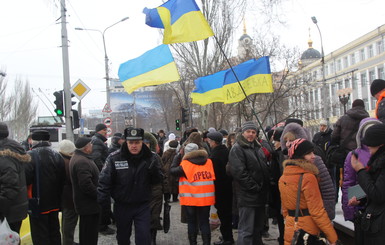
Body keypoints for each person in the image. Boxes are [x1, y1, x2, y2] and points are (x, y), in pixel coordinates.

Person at [98, 127, 162, 245]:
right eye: (131, 142)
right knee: (123, 238)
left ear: (142, 142)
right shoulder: (114, 158)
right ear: (126, 142)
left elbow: (158, 182)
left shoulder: (151, 157)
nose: (134, 146)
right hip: (122, 205)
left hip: (142, 205)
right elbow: (103, 183)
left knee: (144, 238)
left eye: (137, 142)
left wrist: (155, 171)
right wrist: (103, 208)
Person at [279, 138, 338, 245]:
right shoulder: (308, 177)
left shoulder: (283, 177)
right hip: (307, 230)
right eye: (309, 153)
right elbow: (317, 212)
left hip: (290, 228)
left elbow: (285, 209)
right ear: (300, 156)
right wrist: (333, 238)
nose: (313, 156)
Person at [280, 122, 336, 220]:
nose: (288, 144)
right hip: (296, 216)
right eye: (286, 140)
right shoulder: (287, 161)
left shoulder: (315, 160)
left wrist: (327, 215)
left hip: (316, 214)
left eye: (291, 140)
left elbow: (327, 190)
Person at [228, 121, 270, 245]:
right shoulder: (237, 149)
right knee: (246, 231)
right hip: (248, 197)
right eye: (248, 132)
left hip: (259, 196)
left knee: (257, 230)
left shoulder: (257, 148)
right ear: (243, 133)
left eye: (253, 132)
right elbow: (240, 173)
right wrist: (255, 187)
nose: (251, 134)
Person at [341, 118, 381, 245]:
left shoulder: (380, 158)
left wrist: (361, 170)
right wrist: (350, 210)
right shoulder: (355, 155)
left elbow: (378, 191)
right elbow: (348, 183)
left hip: (377, 213)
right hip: (362, 208)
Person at [25, 130, 66, 245]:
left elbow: (26, 179)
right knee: (54, 231)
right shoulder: (57, 155)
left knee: (40, 234)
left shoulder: (30, 155)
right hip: (54, 202)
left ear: (34, 140)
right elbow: (63, 178)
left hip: (37, 202)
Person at [170, 143, 216, 245]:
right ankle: (206, 243)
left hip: (190, 199)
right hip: (206, 199)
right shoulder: (209, 162)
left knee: (192, 222)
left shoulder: (185, 165)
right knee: (204, 222)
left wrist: (178, 156)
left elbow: (172, 170)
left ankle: (193, 242)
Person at [350, 123, 385, 244]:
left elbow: (378, 194)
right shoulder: (378, 160)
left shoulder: (382, 162)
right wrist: (362, 199)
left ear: (380, 144)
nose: (368, 148)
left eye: (370, 145)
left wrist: (360, 170)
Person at [331, 99, 369, 199]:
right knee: (362, 178)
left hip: (346, 154)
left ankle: (349, 203)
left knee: (348, 180)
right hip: (363, 155)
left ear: (352, 106)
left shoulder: (343, 119)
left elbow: (334, 136)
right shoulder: (367, 119)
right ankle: (361, 201)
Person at [70, 137, 100, 245]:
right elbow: (86, 185)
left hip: (86, 204)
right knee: (89, 234)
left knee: (87, 232)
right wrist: (99, 195)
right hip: (88, 205)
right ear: (86, 147)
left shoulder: (79, 157)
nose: (92, 146)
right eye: (90, 145)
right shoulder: (82, 161)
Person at [0, 122, 29, 234]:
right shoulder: (11, 149)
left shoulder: (4, 155)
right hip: (14, 209)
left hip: (7, 212)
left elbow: (10, 186)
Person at [207, 131, 234, 245]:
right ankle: (227, 236)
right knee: (226, 214)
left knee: (224, 215)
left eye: (209, 140)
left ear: (213, 142)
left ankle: (228, 238)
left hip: (220, 189)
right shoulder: (226, 151)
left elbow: (214, 175)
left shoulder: (214, 155)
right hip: (228, 187)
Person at [92, 123, 114, 235]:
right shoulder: (97, 141)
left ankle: (108, 219)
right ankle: (102, 226)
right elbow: (96, 159)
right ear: (99, 131)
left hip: (100, 175)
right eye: (104, 130)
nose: (106, 132)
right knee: (103, 201)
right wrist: (104, 172)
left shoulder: (98, 141)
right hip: (101, 176)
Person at [58, 139, 78, 245]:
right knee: (69, 222)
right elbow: (72, 181)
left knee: (66, 222)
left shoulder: (60, 160)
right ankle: (68, 242)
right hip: (69, 198)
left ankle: (67, 241)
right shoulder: (68, 163)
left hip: (64, 197)